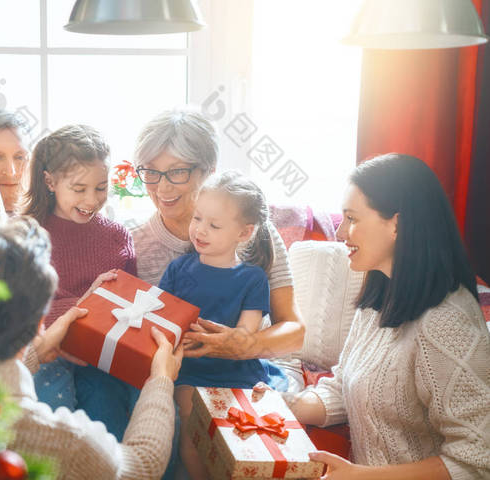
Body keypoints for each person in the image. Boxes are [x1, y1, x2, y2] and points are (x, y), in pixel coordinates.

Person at [255, 153, 490, 479]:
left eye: (351, 219)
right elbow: (342, 389)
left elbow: (478, 461)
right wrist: (284, 405)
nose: (340, 232)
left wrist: (361, 476)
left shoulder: (447, 322)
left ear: (397, 224)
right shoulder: (379, 296)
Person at [0, 215, 183, 479]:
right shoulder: (64, 443)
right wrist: (160, 380)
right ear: (38, 324)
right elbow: (141, 466)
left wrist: (34, 352)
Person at [130, 107, 304, 360]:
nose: (162, 187)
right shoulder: (132, 243)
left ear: (209, 171)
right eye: (150, 171)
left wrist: (242, 346)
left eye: (177, 171)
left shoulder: (252, 232)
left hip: (255, 373)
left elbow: (295, 331)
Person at [159, 171, 287, 480]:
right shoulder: (178, 269)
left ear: (244, 233)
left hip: (236, 371)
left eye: (214, 225)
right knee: (190, 416)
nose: (200, 230)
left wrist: (221, 340)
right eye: (198, 218)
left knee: (235, 427)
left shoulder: (252, 278)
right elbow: (162, 320)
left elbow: (245, 336)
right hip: (189, 370)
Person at [21, 125, 139, 429]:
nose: (91, 200)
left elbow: (132, 303)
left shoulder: (117, 237)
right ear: (50, 181)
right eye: (79, 189)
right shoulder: (27, 233)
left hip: (100, 354)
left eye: (101, 188)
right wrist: (85, 303)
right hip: (46, 347)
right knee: (53, 408)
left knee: (111, 415)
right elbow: (18, 308)